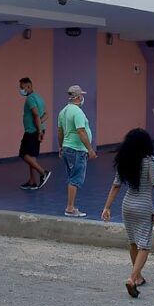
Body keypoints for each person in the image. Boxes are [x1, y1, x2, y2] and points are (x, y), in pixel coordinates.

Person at [101, 128, 154, 297]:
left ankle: (138, 277)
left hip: (127, 205)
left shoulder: (124, 160)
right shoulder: (149, 161)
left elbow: (116, 185)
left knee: (133, 243)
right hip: (144, 205)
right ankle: (132, 278)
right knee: (144, 245)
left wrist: (107, 207)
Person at [58, 85, 96, 217]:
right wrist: (90, 149)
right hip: (77, 149)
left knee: (71, 176)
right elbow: (81, 131)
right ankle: (70, 208)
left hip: (68, 148)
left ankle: (71, 205)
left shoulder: (63, 111)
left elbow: (60, 131)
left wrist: (61, 147)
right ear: (79, 97)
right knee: (76, 178)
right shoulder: (78, 112)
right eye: (82, 95)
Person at [18, 77, 51, 190]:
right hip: (36, 129)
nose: (21, 90)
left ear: (29, 86)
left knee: (24, 154)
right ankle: (32, 182)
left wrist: (39, 131)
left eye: (22, 88)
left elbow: (36, 115)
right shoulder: (39, 97)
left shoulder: (30, 99)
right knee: (32, 155)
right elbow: (46, 114)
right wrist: (40, 126)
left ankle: (43, 173)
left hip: (32, 131)